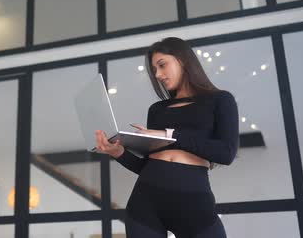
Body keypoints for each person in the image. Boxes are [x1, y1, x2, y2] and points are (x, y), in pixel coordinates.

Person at [95, 37, 239, 238]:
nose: (158, 74)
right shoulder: (157, 110)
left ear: (183, 59)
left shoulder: (220, 100)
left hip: (194, 201)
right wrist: (119, 153)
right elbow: (147, 166)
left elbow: (226, 153)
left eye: (162, 65)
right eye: (154, 70)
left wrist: (169, 135)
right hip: (145, 201)